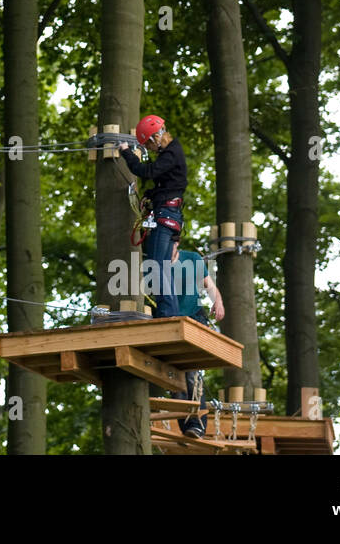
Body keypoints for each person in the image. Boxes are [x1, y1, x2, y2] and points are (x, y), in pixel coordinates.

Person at [118, 114, 186, 318]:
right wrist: (150, 195)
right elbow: (168, 184)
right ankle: (170, 313)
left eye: (147, 145)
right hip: (170, 213)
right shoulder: (173, 152)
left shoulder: (170, 154)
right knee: (162, 268)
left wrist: (126, 152)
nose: (148, 149)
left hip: (165, 215)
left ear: (155, 138)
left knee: (156, 268)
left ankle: (167, 315)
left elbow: (145, 171)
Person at [168, 234, 224, 438]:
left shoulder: (191, 259)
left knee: (191, 375)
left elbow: (209, 285)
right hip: (169, 324)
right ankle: (188, 428)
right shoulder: (155, 262)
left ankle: (197, 424)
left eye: (171, 243)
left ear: (177, 243)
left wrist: (218, 301)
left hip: (192, 319)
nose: (168, 247)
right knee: (174, 378)